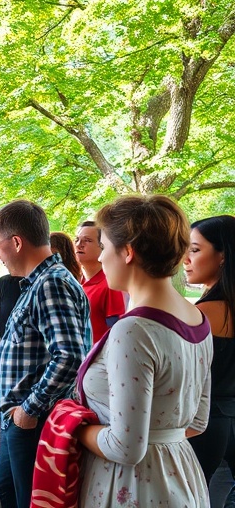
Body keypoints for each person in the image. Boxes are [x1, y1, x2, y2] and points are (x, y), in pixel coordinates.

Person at [76, 195, 212, 506]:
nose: (100, 258)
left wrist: (73, 427)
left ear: (127, 252)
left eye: (105, 246)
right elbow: (197, 422)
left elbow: (126, 447)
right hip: (181, 476)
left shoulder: (134, 329)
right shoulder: (197, 319)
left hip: (132, 487)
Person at [0, 200, 91, 508]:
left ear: (16, 242)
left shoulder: (51, 284)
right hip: (17, 422)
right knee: (2, 494)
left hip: (34, 423)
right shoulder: (36, 283)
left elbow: (70, 356)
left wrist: (28, 410)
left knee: (27, 502)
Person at [185, 215, 235, 508]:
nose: (185, 259)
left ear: (222, 257)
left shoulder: (202, 313)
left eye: (194, 250)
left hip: (205, 425)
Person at [76, 220, 126, 340]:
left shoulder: (111, 285)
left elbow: (116, 332)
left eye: (87, 240)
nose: (79, 244)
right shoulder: (75, 284)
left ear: (102, 246)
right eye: (77, 239)